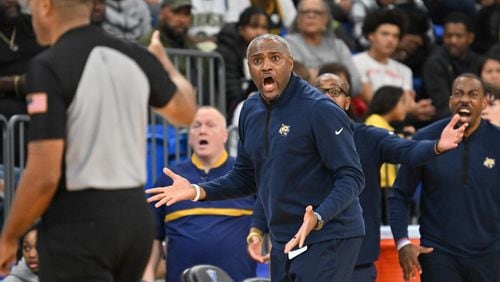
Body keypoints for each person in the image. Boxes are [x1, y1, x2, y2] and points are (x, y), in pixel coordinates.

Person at [0, 0, 197, 280]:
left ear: (45, 6)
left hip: (80, 224)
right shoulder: (135, 55)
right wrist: (166, 64)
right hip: (135, 223)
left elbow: (44, 174)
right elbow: (187, 112)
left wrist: (9, 236)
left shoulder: (49, 65)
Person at [147, 33, 366, 281]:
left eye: (275, 58)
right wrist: (197, 190)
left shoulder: (320, 109)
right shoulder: (250, 110)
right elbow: (246, 177)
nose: (266, 66)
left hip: (330, 233)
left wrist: (318, 216)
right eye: (257, 60)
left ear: (290, 63)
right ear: (249, 67)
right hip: (283, 236)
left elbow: (352, 176)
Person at [247, 73, 466, 282]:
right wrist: (257, 229)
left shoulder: (368, 137)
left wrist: (436, 146)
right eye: (318, 91)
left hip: (355, 259)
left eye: (334, 91)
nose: (325, 97)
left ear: (347, 102)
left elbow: (407, 151)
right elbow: (271, 186)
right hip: (304, 254)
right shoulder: (291, 138)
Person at [389, 73, 500, 282]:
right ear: (450, 101)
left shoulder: (497, 140)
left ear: (484, 102)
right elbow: (399, 194)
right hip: (439, 253)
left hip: (490, 256)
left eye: (473, 94)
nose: (465, 99)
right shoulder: (425, 138)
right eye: (458, 93)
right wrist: (403, 242)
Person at [142, 106, 256, 282]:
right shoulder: (169, 179)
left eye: (211, 125)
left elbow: (271, 228)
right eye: (196, 126)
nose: (202, 130)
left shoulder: (245, 175)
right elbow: (154, 238)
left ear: (225, 135)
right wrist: (148, 276)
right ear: (189, 137)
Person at [352, 8, 435, 122]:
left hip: (398, 126)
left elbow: (406, 106)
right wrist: (410, 109)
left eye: (395, 36)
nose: (390, 40)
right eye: (385, 34)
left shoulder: (405, 71)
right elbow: (373, 102)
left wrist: (415, 108)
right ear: (371, 35)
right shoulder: (355, 62)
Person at [285, 0, 362, 93]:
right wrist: (338, 80)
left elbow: (356, 83)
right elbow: (294, 81)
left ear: (326, 19)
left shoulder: (338, 46)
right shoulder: (287, 44)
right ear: (298, 19)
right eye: (305, 12)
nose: (311, 16)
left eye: (317, 12)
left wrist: (313, 76)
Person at [421, 12, 484, 121]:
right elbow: (443, 105)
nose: (453, 41)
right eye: (448, 36)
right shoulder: (434, 62)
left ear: (470, 38)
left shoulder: (479, 62)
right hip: (444, 121)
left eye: (459, 36)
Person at [215, 6, 269, 119]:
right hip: (229, 113)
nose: (260, 32)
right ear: (241, 29)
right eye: (254, 26)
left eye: (264, 27)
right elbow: (232, 95)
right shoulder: (227, 52)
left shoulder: (266, 54)